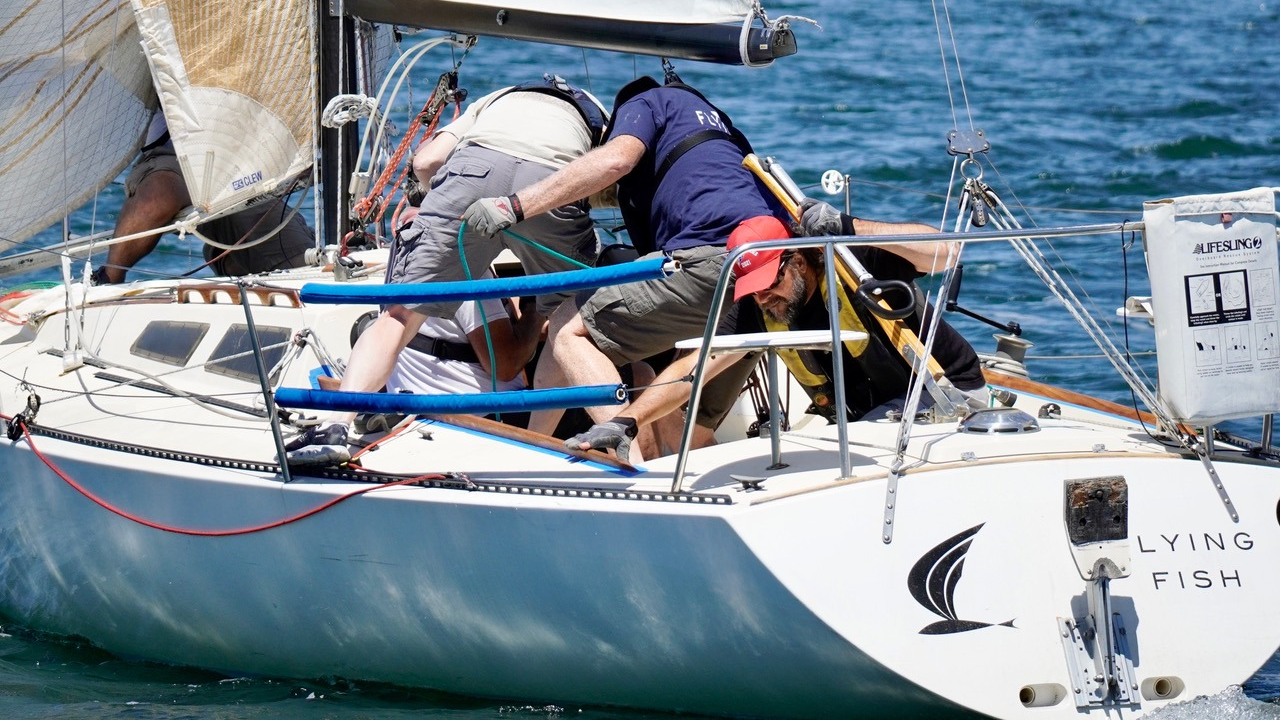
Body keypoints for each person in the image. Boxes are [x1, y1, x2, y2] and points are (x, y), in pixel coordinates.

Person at [461, 75, 787, 459]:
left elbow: (617, 160)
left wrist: (516, 206)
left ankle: (621, 457)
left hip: (706, 264)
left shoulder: (645, 102)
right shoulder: (723, 130)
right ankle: (536, 446)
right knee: (686, 423)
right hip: (766, 274)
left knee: (569, 328)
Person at [284, 75, 603, 464]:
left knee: (398, 318)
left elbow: (426, 162)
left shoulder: (496, 99)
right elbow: (603, 179)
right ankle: (540, 443)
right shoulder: (595, 114)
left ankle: (336, 426)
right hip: (549, 185)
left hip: (473, 173)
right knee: (569, 323)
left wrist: (442, 200)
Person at [567, 208, 988, 462]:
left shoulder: (851, 262)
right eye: (753, 289)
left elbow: (946, 253)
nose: (764, 297)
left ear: (797, 262)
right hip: (868, 419)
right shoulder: (760, 307)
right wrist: (627, 422)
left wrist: (849, 225)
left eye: (771, 283)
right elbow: (694, 369)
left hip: (943, 393)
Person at [93, 113, 314, 284]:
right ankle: (109, 278)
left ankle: (231, 260)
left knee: (301, 269)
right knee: (158, 196)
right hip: (176, 156)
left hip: (246, 164)